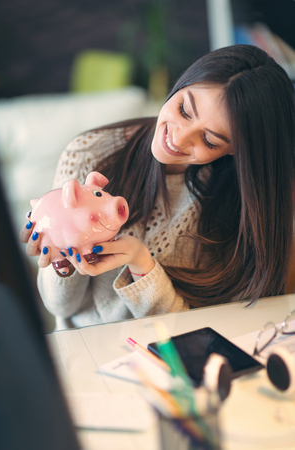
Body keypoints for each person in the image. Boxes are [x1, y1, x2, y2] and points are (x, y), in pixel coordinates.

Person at [20, 44, 295, 330]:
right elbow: (61, 307)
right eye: (184, 110)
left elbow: (216, 332)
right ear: (182, 83)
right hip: (81, 356)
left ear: (236, 149)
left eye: (210, 140)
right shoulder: (89, 153)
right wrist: (60, 262)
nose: (179, 137)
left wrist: (143, 266)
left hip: (173, 364)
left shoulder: (242, 210)